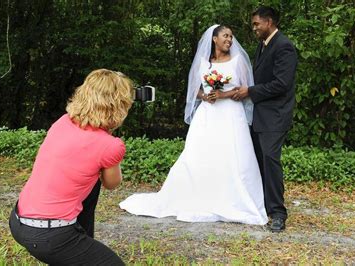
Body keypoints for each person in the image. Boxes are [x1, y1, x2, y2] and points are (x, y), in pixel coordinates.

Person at [119, 25, 268, 225]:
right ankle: (198, 196)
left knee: (233, 154)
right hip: (207, 114)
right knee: (200, 154)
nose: (230, 40)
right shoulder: (202, 62)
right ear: (214, 39)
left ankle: (233, 199)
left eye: (231, 37)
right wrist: (205, 95)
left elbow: (244, 90)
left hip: (231, 115)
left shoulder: (238, 60)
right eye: (225, 36)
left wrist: (222, 94)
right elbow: (195, 90)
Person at [9, 69, 133, 265]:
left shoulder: (63, 122)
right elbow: (112, 183)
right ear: (120, 106)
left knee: (91, 186)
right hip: (50, 236)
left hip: (19, 221)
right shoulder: (110, 145)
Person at [232, 6, 298, 232]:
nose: (254, 28)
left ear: (269, 22)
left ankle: (278, 213)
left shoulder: (284, 46)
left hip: (276, 116)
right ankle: (262, 206)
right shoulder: (263, 45)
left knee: (270, 160)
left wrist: (250, 91)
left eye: (256, 23)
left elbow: (282, 84)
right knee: (258, 160)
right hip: (260, 115)